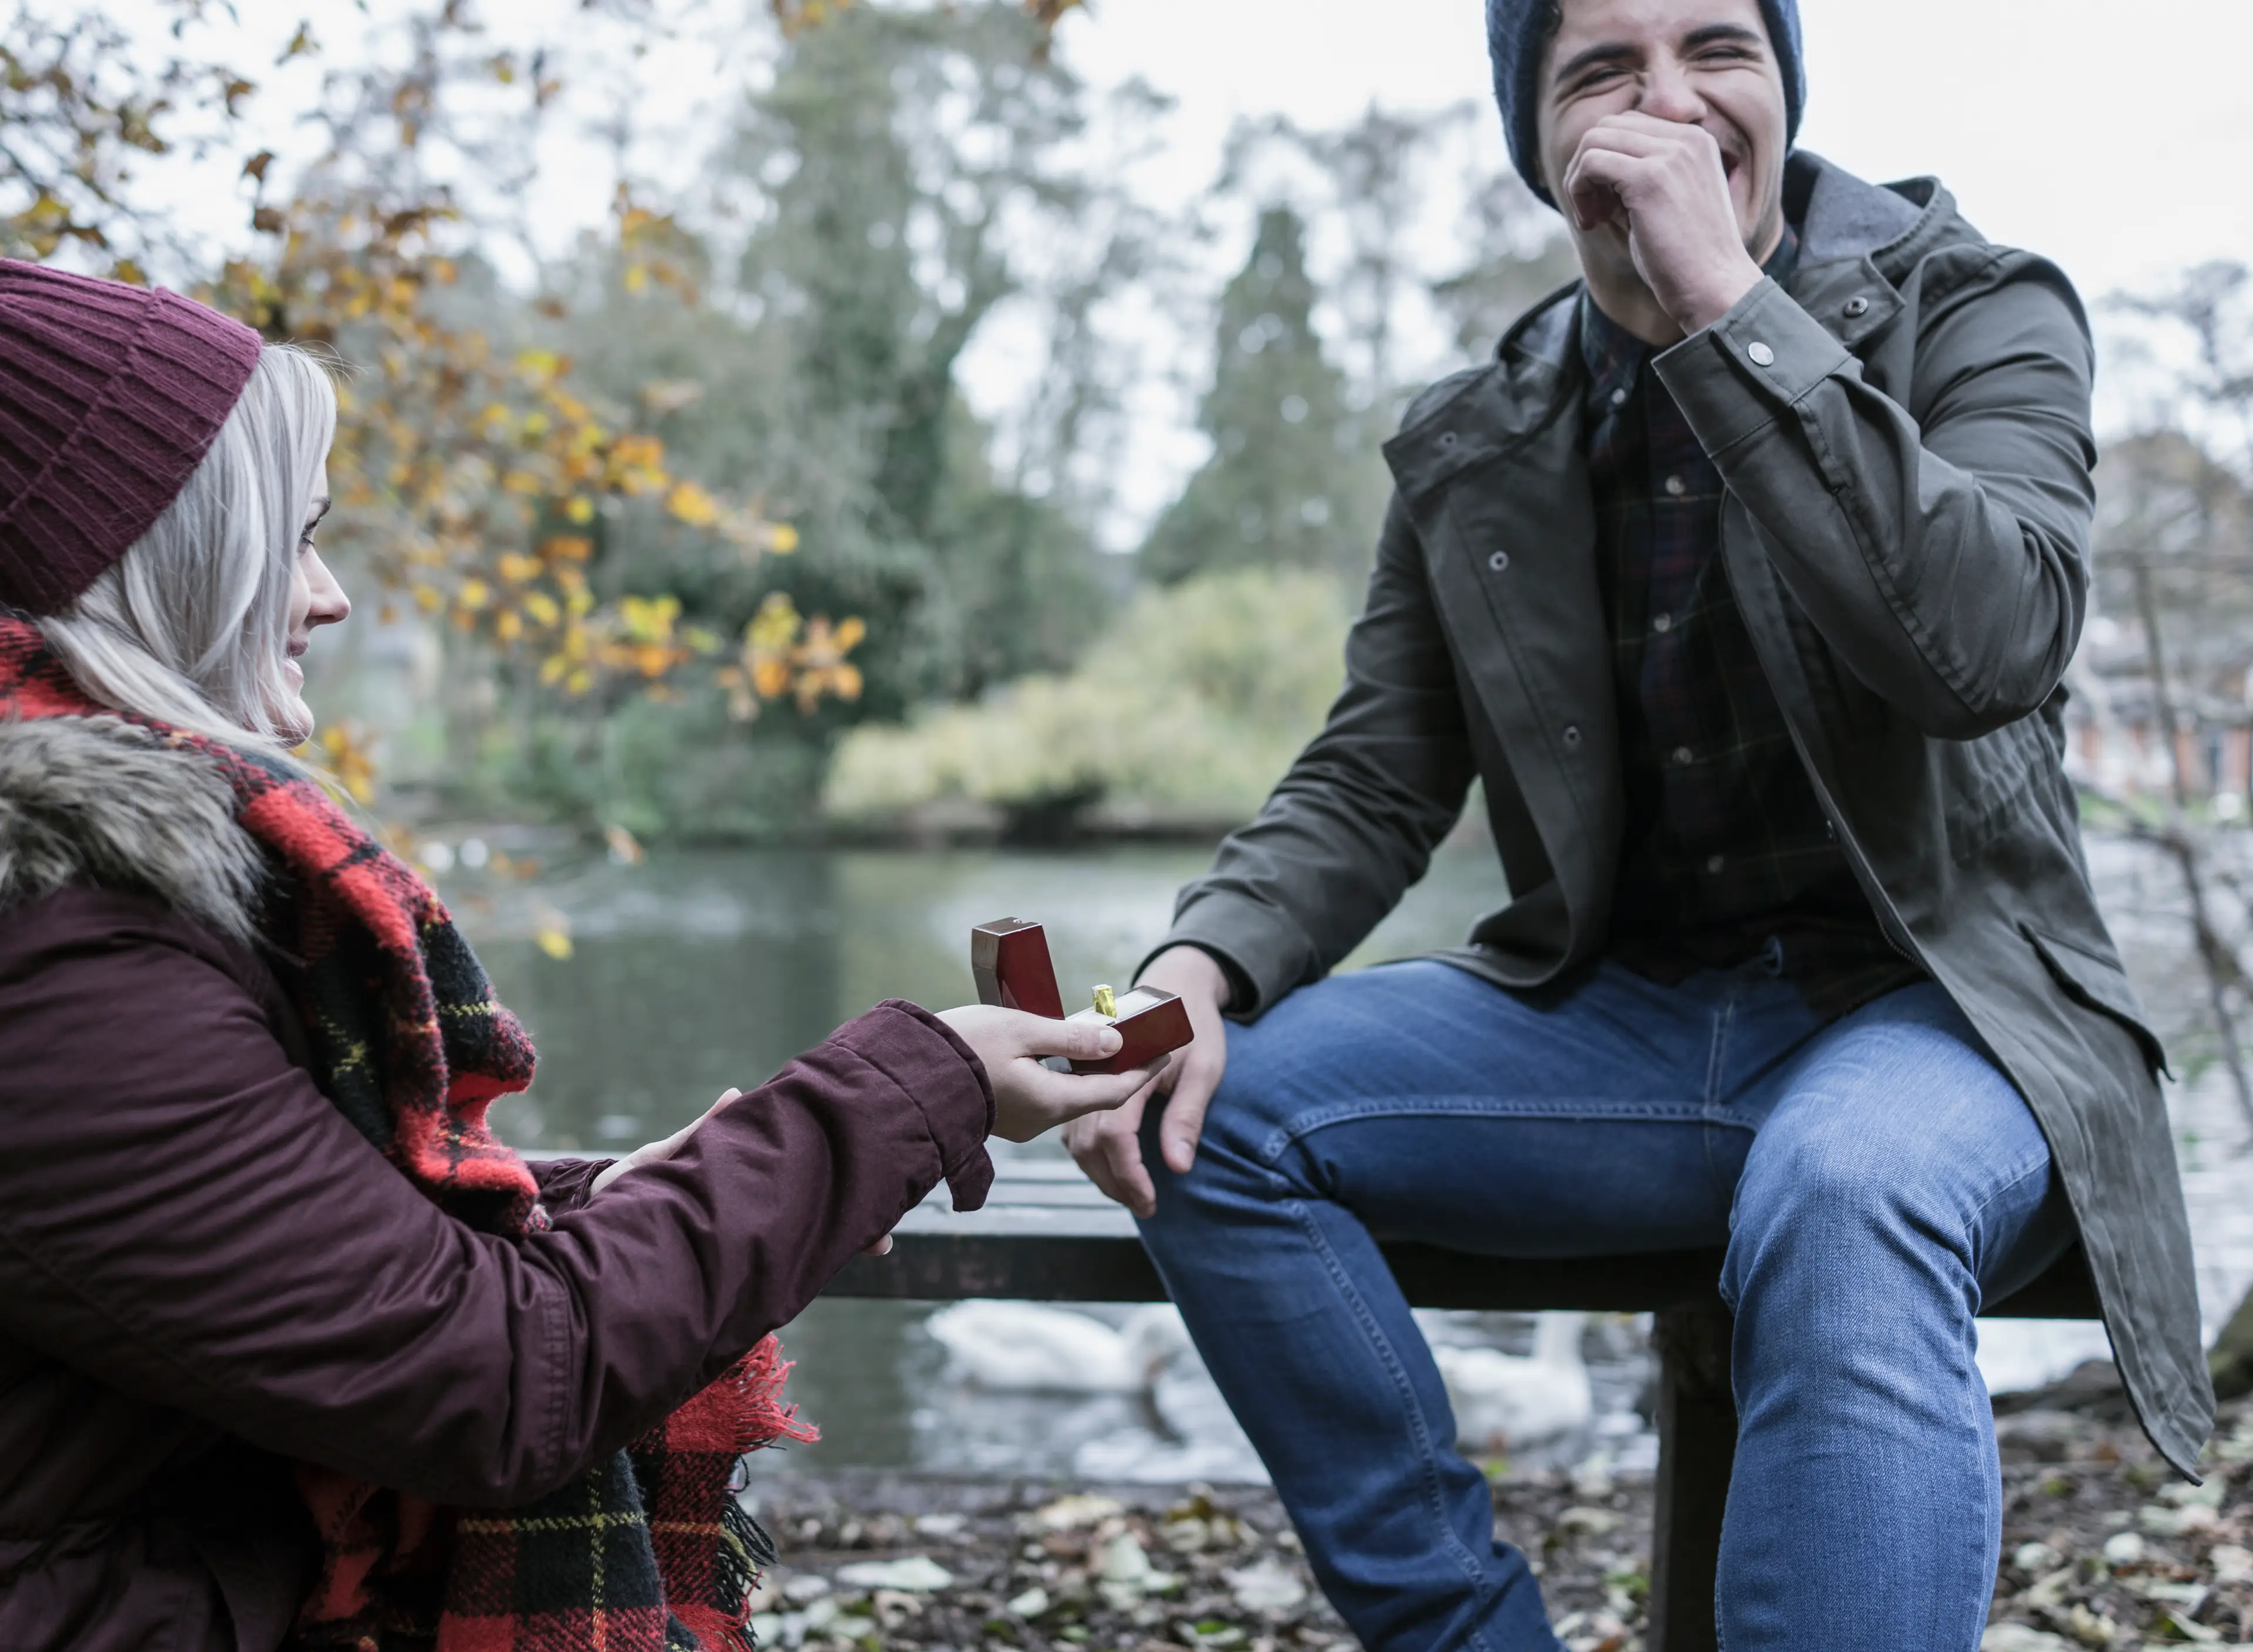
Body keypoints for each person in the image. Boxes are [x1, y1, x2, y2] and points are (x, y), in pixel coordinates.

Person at [1064, 1, 2212, 1647]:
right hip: (1623, 1029)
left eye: (1718, 47)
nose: (1669, 99)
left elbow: (1993, 647)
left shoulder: (1977, 303)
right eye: (1601, 68)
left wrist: (1728, 318)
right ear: (1538, 137)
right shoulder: (1484, 431)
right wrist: (1193, 968)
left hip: (1951, 1021)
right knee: (1210, 1115)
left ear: (1784, 84)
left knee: (1842, 1190)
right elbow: (1375, 773)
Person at [0, 258, 1156, 1651]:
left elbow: (236, 1244)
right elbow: (494, 1379)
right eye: (293, 535)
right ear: (154, 558)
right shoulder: (60, 949)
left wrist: (603, 1193)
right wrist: (915, 1086)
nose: (331, 594)